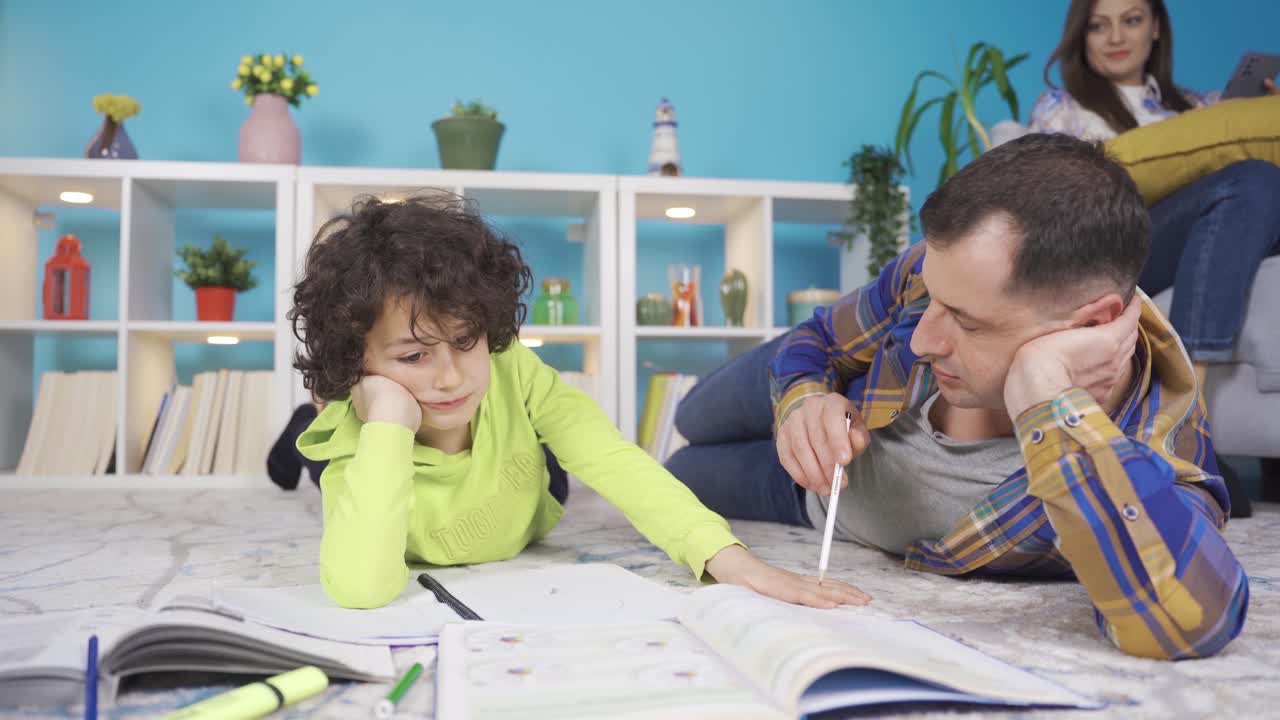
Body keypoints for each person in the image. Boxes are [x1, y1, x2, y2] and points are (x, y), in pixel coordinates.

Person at [666, 133, 1248, 660]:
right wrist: (800, 399)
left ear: (1090, 324)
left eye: (967, 323)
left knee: (677, 470)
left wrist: (1046, 393)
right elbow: (820, 338)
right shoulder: (946, 269)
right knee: (689, 415)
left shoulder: (1156, 436)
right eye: (932, 299)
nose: (922, 340)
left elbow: (1185, 621)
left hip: (808, 503)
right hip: (820, 416)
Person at [287, 193, 868, 611]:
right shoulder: (364, 436)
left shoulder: (511, 369)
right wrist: (387, 420)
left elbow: (614, 459)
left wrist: (730, 560)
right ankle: (300, 427)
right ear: (359, 365)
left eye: (466, 343)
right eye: (413, 357)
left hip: (524, 486)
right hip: (377, 446)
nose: (448, 377)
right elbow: (361, 588)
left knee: (560, 466)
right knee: (309, 457)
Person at [1029, 0, 1280, 419]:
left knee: (1263, 184)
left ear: (1156, 28)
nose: (1115, 38)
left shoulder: (1199, 107)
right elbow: (1057, 206)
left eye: (1131, 20)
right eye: (1097, 26)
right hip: (1120, 249)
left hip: (1214, 230)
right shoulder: (1061, 108)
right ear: (1081, 35)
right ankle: (1185, 396)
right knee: (1249, 179)